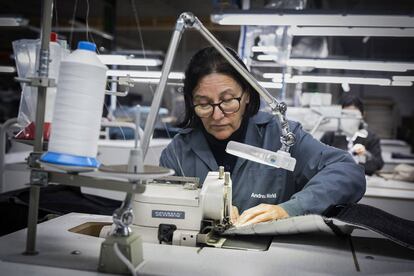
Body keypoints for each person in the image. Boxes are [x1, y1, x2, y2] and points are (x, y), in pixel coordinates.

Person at [160, 46, 366, 227]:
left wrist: (290, 209)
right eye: (204, 104)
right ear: (191, 103)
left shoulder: (281, 137)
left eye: (228, 100)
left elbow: (348, 172)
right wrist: (203, 206)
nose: (217, 115)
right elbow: (162, 209)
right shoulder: (178, 153)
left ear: (248, 94)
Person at [320, 95, 384, 175]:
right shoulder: (330, 136)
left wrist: (366, 155)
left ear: (362, 115)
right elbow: (318, 158)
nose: (349, 118)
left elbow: (378, 164)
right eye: (345, 114)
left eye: (353, 115)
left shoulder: (371, 138)